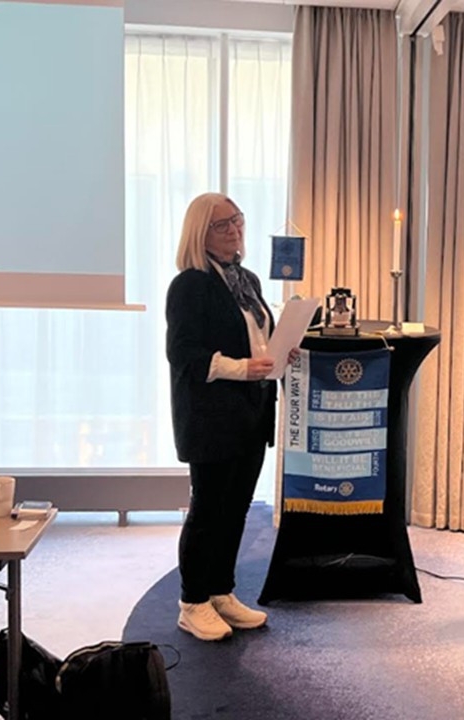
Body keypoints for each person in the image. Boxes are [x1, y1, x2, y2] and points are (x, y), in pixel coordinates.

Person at [166, 192, 279, 642]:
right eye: (222, 225)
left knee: (236, 510)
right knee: (208, 510)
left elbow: (255, 336)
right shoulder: (190, 285)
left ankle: (221, 591)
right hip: (210, 415)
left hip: (251, 411)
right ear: (200, 233)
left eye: (237, 220)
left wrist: (277, 353)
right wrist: (243, 368)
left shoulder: (246, 279)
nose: (234, 230)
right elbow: (184, 356)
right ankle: (193, 601)